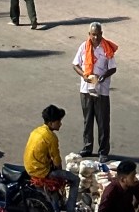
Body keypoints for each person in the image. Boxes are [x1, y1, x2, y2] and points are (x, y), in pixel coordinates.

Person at [73, 21, 117, 161]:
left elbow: (113, 67)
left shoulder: (106, 49)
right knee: (88, 120)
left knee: (103, 121)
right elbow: (75, 65)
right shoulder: (84, 46)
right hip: (86, 90)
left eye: (98, 35)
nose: (96, 38)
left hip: (101, 90)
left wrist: (102, 77)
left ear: (101, 34)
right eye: (93, 35)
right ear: (89, 34)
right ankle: (87, 147)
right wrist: (84, 75)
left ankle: (103, 151)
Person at [24, 104, 79, 212]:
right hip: (41, 172)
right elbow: (57, 160)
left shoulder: (36, 131)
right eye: (58, 121)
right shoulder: (51, 137)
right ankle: (70, 208)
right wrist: (61, 176)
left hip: (30, 168)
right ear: (51, 123)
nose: (60, 124)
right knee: (75, 179)